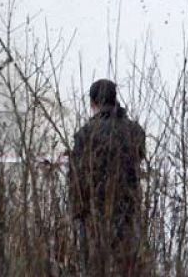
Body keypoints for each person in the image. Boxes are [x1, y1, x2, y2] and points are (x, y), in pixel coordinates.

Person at [69, 79, 146, 276]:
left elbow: (76, 178)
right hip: (128, 210)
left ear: (93, 103)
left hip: (95, 212)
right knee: (127, 265)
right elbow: (138, 159)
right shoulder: (135, 131)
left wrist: (76, 211)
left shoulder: (85, 135)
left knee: (95, 267)